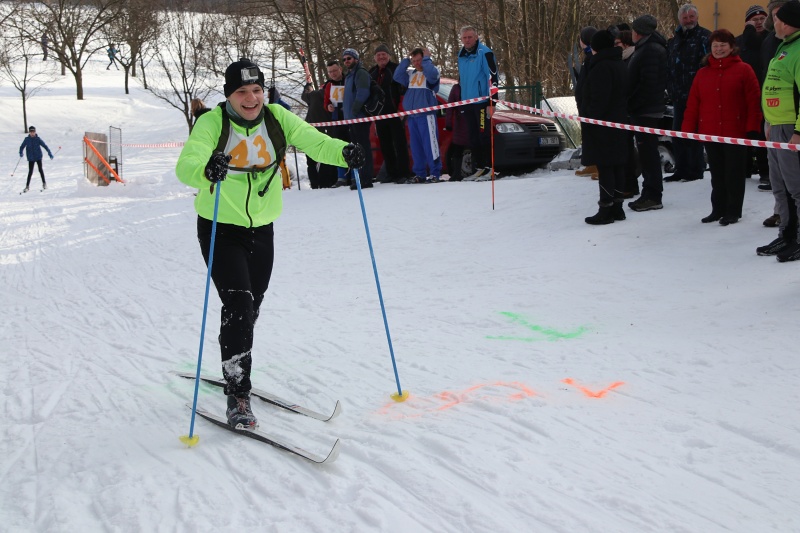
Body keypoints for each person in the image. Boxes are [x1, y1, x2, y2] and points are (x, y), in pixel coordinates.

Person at [175, 58, 365, 429]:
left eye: (257, 90)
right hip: (219, 227)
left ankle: (235, 347)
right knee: (239, 304)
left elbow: (315, 142)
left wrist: (343, 152)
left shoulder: (277, 118)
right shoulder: (212, 122)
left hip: (262, 228)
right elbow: (187, 164)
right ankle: (238, 394)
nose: (251, 99)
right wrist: (206, 170)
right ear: (229, 95)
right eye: (242, 92)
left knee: (250, 307)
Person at [681, 29, 762, 226]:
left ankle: (733, 210)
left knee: (734, 173)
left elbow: (754, 102)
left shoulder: (744, 70)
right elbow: (693, 104)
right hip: (710, 132)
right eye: (715, 46)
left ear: (732, 47)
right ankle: (718, 209)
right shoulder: (702, 73)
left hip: (735, 132)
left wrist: (752, 128)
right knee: (717, 174)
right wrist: (687, 129)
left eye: (723, 45)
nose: (718, 49)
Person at [756, 0, 800, 262]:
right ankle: (787, 233)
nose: (774, 23)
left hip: (792, 129)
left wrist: (798, 132)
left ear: (788, 22)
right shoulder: (784, 46)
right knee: (779, 185)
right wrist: (770, 122)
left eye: (778, 19)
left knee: (796, 187)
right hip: (776, 127)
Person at [580, 30, 630, 224]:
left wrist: (589, 116)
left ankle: (606, 209)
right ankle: (617, 207)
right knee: (617, 165)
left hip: (603, 125)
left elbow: (598, 99)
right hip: (618, 122)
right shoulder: (619, 63)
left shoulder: (601, 67)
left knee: (606, 166)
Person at [664, 4, 711, 183]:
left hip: (697, 95)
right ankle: (681, 169)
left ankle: (696, 169)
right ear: (680, 19)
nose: (688, 20)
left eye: (691, 17)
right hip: (677, 95)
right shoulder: (674, 40)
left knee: (694, 134)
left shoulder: (705, 37)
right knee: (677, 134)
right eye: (685, 18)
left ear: (697, 17)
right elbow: (669, 64)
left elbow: (708, 65)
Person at [627, 14, 669, 212]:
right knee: (646, 153)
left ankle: (652, 195)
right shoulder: (645, 48)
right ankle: (649, 192)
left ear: (638, 32)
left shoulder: (650, 50)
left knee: (648, 154)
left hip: (646, 111)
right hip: (645, 109)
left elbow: (647, 84)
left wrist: (633, 103)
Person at [393, 47, 442, 183]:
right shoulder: (411, 74)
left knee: (430, 145)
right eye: (414, 61)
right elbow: (397, 75)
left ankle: (435, 173)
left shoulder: (432, 72)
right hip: (412, 116)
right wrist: (406, 60)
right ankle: (420, 174)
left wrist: (426, 59)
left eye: (419, 60)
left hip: (426, 115)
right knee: (416, 147)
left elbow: (432, 75)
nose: (416, 63)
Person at [736, 5, 771, 189]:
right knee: (744, 132)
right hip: (743, 95)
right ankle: (745, 168)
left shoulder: (770, 39)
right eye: (754, 20)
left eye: (761, 19)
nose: (758, 22)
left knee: (762, 134)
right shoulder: (738, 42)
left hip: (765, 93)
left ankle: (765, 171)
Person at [457, 26, 499, 180]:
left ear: (476, 37)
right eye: (464, 38)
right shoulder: (461, 54)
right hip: (467, 102)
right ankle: (479, 168)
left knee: (483, 135)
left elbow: (493, 77)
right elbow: (462, 78)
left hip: (482, 102)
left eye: (470, 37)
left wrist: (492, 102)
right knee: (472, 137)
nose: (467, 40)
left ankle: (490, 168)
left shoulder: (485, 52)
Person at [369, 44, 411, 184]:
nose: (381, 57)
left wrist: (401, 109)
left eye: (384, 54)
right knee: (385, 145)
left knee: (400, 144)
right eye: (378, 55)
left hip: (395, 113)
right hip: (379, 114)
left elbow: (404, 90)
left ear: (389, 56)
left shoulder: (395, 69)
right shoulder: (372, 72)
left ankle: (404, 173)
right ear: (375, 58)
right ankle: (391, 173)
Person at [338, 48, 374, 190]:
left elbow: (363, 93)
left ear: (356, 59)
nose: (346, 61)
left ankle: (366, 178)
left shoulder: (361, 73)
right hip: (351, 119)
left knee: (363, 148)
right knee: (356, 149)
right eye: (344, 59)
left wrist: (354, 110)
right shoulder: (349, 75)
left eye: (349, 58)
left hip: (359, 118)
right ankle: (360, 177)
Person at [615, 30, 641, 198]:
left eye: (617, 43)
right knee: (626, 148)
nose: (615, 46)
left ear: (625, 43)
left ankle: (630, 185)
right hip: (625, 110)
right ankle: (629, 185)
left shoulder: (633, 58)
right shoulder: (623, 59)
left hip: (633, 109)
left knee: (629, 150)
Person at [301, 81, 339, 188]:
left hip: (311, 132)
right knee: (326, 158)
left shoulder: (314, 95)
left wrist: (308, 86)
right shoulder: (335, 95)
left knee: (311, 162)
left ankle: (315, 184)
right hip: (327, 131)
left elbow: (304, 96)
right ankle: (325, 183)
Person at [574, 26, 599, 180]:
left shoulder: (593, 57)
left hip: (590, 104)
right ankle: (591, 163)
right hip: (583, 104)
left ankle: (599, 165)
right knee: (587, 135)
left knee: (594, 134)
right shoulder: (587, 57)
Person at [321, 60, 350, 186]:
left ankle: (355, 175)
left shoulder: (348, 80)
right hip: (336, 120)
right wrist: (328, 107)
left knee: (352, 146)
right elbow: (326, 102)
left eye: (334, 70)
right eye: (330, 72)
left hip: (350, 118)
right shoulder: (328, 85)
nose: (333, 73)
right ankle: (341, 177)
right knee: (339, 147)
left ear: (340, 69)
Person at [444, 82, 470, 181]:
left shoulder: (471, 86)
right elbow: (450, 106)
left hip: (471, 121)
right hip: (460, 123)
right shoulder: (456, 88)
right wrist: (448, 122)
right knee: (457, 148)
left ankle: (476, 170)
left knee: (474, 146)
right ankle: (457, 173)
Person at [19, 126, 53, 193]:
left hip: (38, 157)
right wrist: (21, 152)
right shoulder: (27, 139)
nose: (32, 133)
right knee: (30, 172)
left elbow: (45, 146)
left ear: (35, 132)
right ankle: (27, 186)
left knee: (40, 170)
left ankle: (44, 183)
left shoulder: (38, 139)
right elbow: (22, 147)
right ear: (29, 132)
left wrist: (49, 153)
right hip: (31, 158)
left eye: (33, 132)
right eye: (31, 132)